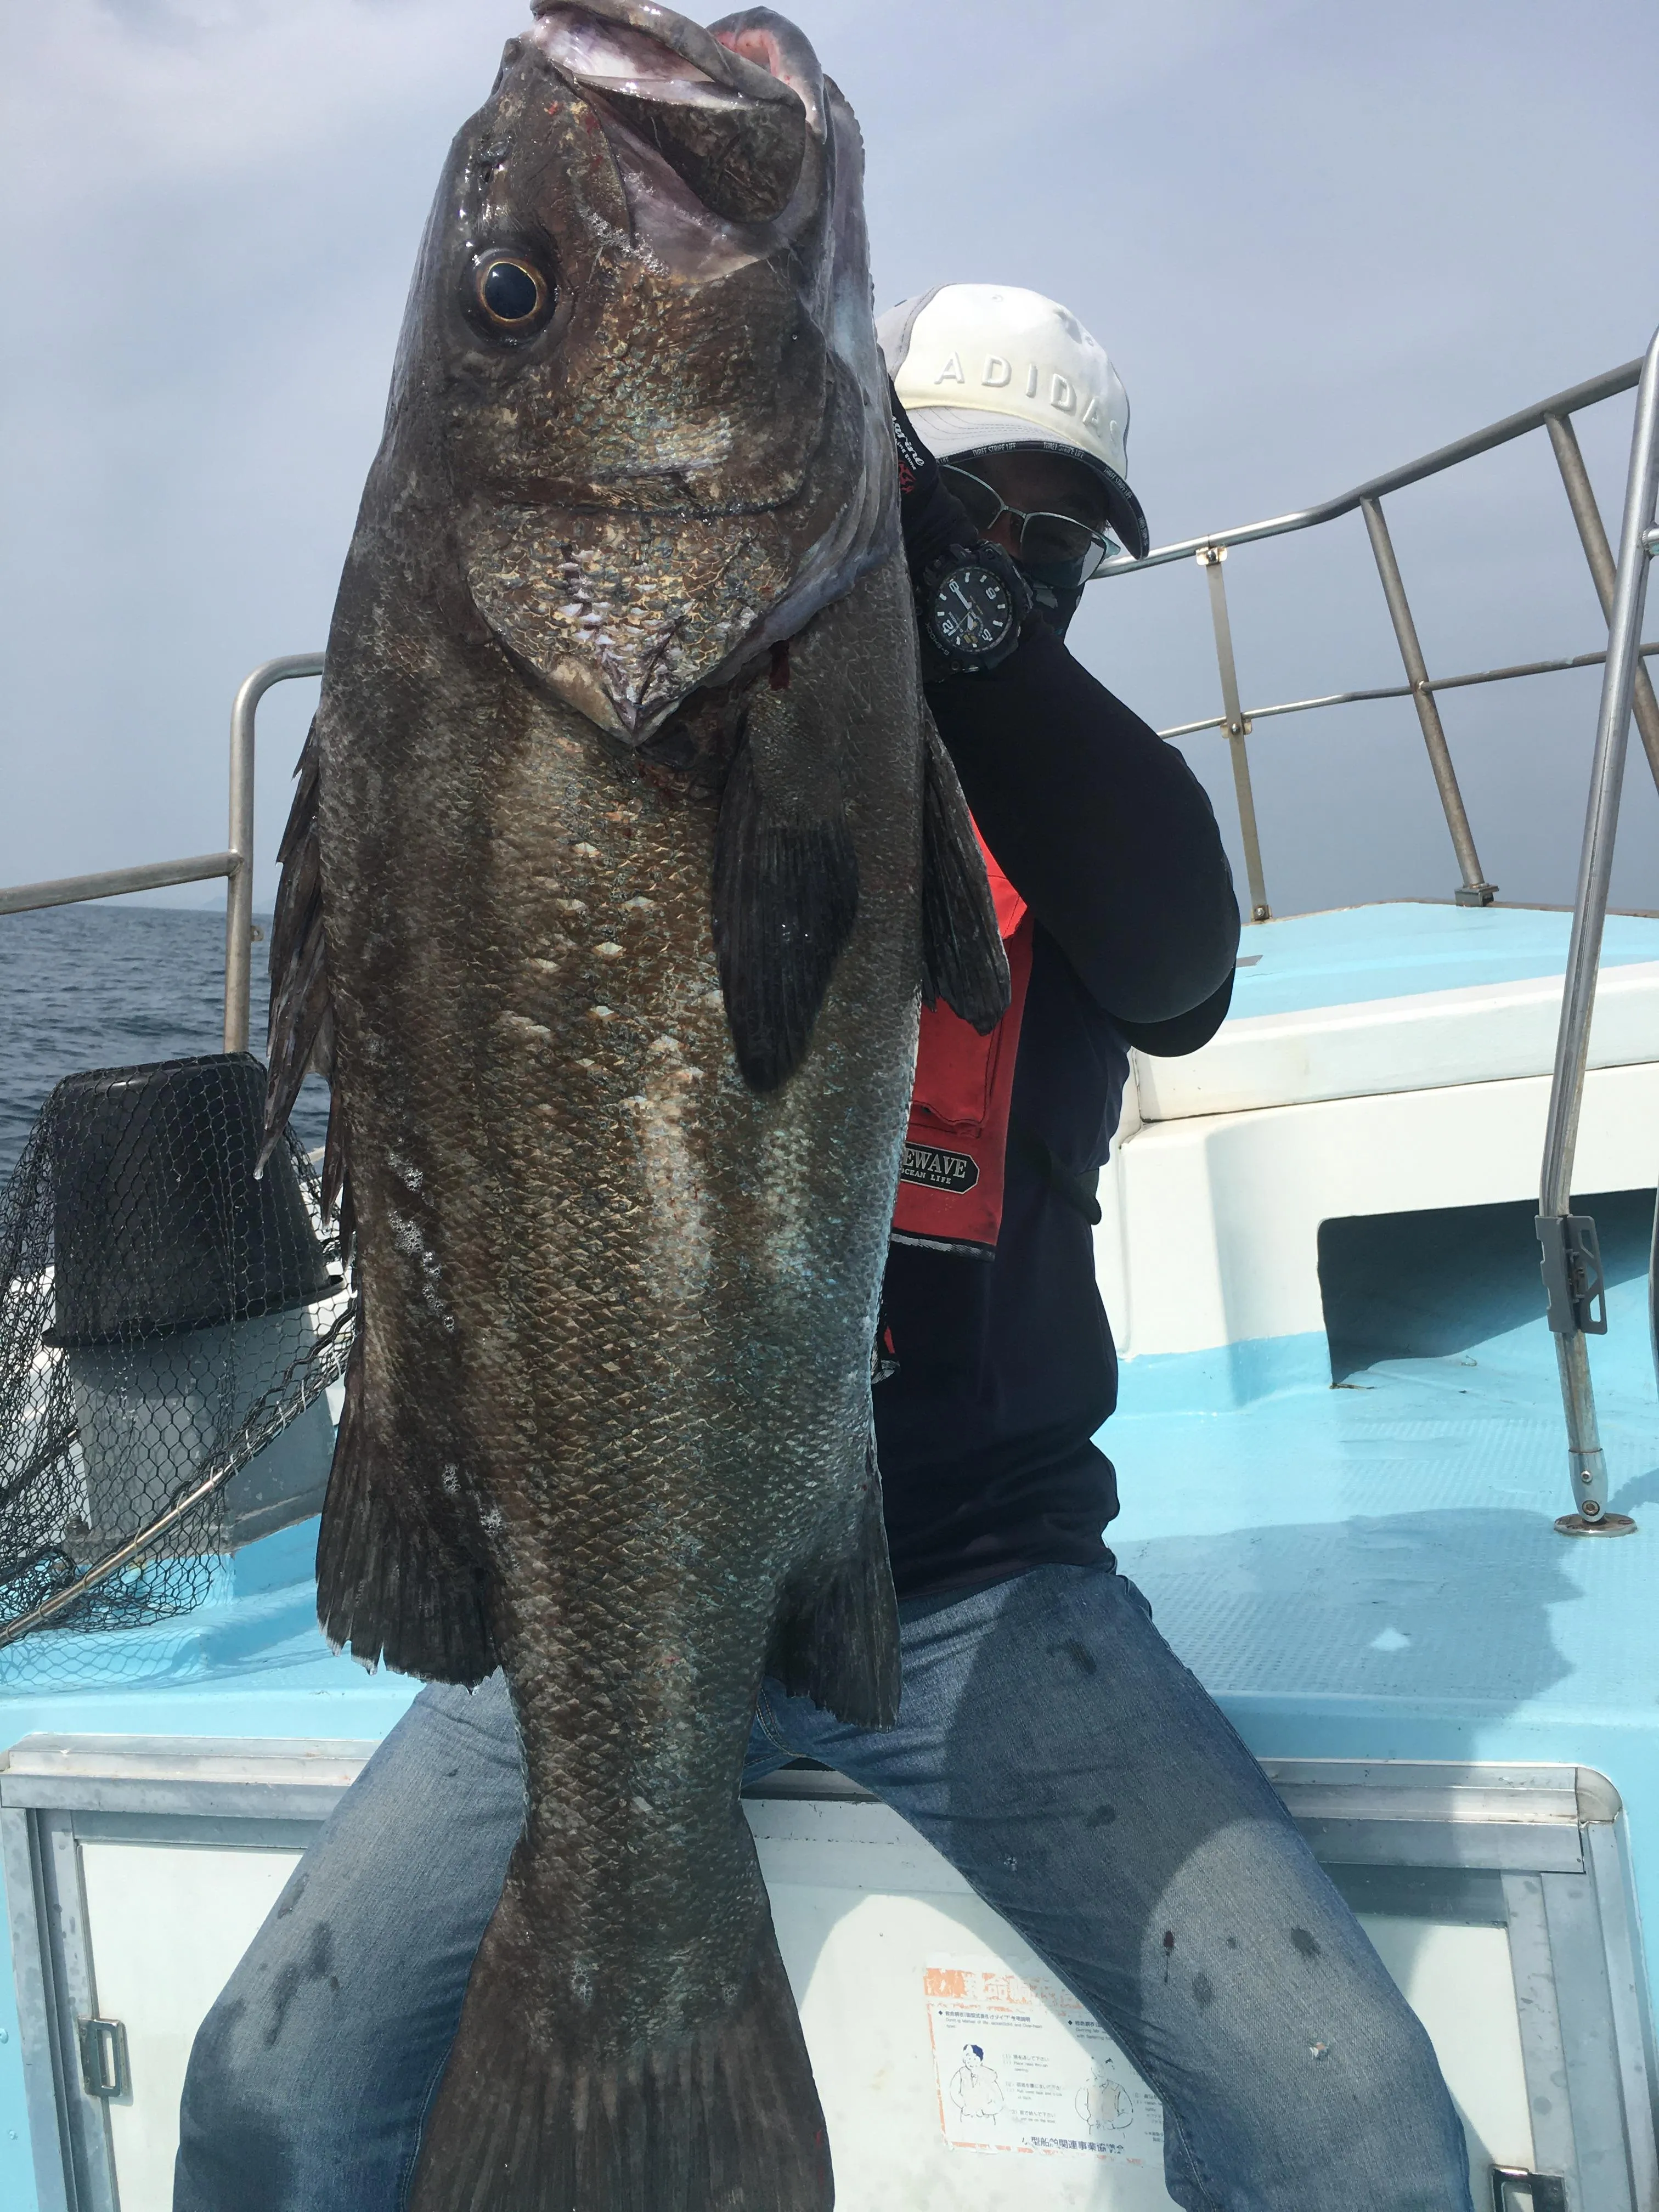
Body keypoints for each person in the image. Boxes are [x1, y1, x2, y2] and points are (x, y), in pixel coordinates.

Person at [173, 285, 1471, 2212]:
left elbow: (1185, 949)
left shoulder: (1057, 791)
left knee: (1361, 2136)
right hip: (597, 1606)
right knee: (263, 2090)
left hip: (963, 1589)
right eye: (971, 503)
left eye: (1057, 548)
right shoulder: (643, 737)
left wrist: (961, 618)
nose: (1016, 571)